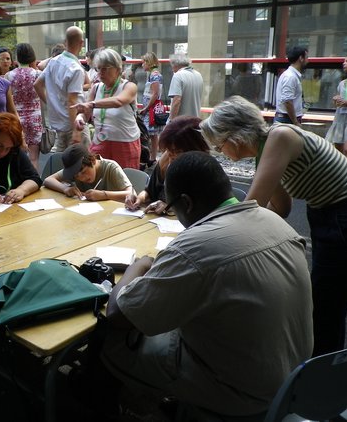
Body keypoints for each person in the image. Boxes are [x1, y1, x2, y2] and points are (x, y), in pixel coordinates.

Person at [103, 151, 313, 418]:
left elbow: (119, 315)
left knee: (114, 340)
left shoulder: (193, 248)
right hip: (292, 376)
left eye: (171, 208)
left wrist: (140, 265)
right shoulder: (277, 223)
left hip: (242, 394)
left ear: (187, 203)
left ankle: (100, 403)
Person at [200, 95, 347, 356]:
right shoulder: (268, 148)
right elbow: (280, 208)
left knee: (325, 310)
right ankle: (315, 373)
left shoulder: (280, 137)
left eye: (219, 146)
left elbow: (252, 204)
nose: (221, 152)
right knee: (322, 305)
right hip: (334, 216)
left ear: (234, 138)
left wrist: (208, 227)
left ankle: (322, 382)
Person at [71, 48, 141, 170]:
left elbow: (118, 101)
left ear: (118, 69)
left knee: (125, 182)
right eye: (98, 68)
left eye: (105, 69)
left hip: (125, 143)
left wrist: (92, 104)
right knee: (97, 177)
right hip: (100, 141)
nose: (100, 73)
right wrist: (79, 117)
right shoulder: (96, 88)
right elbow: (85, 114)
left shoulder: (129, 86)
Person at [125, 116, 208, 215]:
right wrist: (139, 198)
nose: (170, 155)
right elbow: (150, 192)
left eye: (177, 151)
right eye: (168, 149)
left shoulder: (203, 170)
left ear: (194, 150)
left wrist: (170, 207)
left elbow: (201, 207)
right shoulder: (166, 160)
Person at [34, 26, 90, 152]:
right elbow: (72, 102)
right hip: (74, 125)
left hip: (58, 126)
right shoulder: (75, 68)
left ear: (66, 41)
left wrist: (50, 103)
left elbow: (37, 84)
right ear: (81, 43)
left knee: (62, 165)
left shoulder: (53, 62)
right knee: (83, 166)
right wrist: (76, 131)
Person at [43, 143, 133, 202]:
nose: (81, 178)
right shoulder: (75, 170)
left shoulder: (111, 167)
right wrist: (65, 188)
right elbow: (48, 180)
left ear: (93, 160)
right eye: (76, 176)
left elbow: (131, 194)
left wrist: (104, 195)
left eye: (83, 172)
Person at [6, 43, 43, 170]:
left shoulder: (9, 76)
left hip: (16, 119)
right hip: (35, 119)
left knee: (16, 156)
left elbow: (8, 98)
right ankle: (34, 183)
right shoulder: (37, 74)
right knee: (33, 158)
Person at [138, 52, 163, 165]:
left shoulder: (154, 75)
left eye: (143, 62)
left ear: (148, 62)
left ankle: (151, 157)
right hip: (150, 108)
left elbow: (155, 94)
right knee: (153, 134)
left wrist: (146, 108)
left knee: (150, 133)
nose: (142, 65)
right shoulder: (153, 74)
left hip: (151, 109)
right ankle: (152, 157)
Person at [274, 46, 308, 126]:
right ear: (301, 58)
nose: (308, 60)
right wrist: (295, 122)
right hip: (287, 120)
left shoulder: (292, 75)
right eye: (306, 57)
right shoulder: (290, 77)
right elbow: (288, 101)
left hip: (288, 119)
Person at [167, 52, 204, 119]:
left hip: (181, 122)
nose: (172, 68)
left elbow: (177, 100)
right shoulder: (198, 75)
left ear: (175, 64)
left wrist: (171, 120)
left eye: (172, 65)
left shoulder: (178, 76)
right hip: (195, 120)